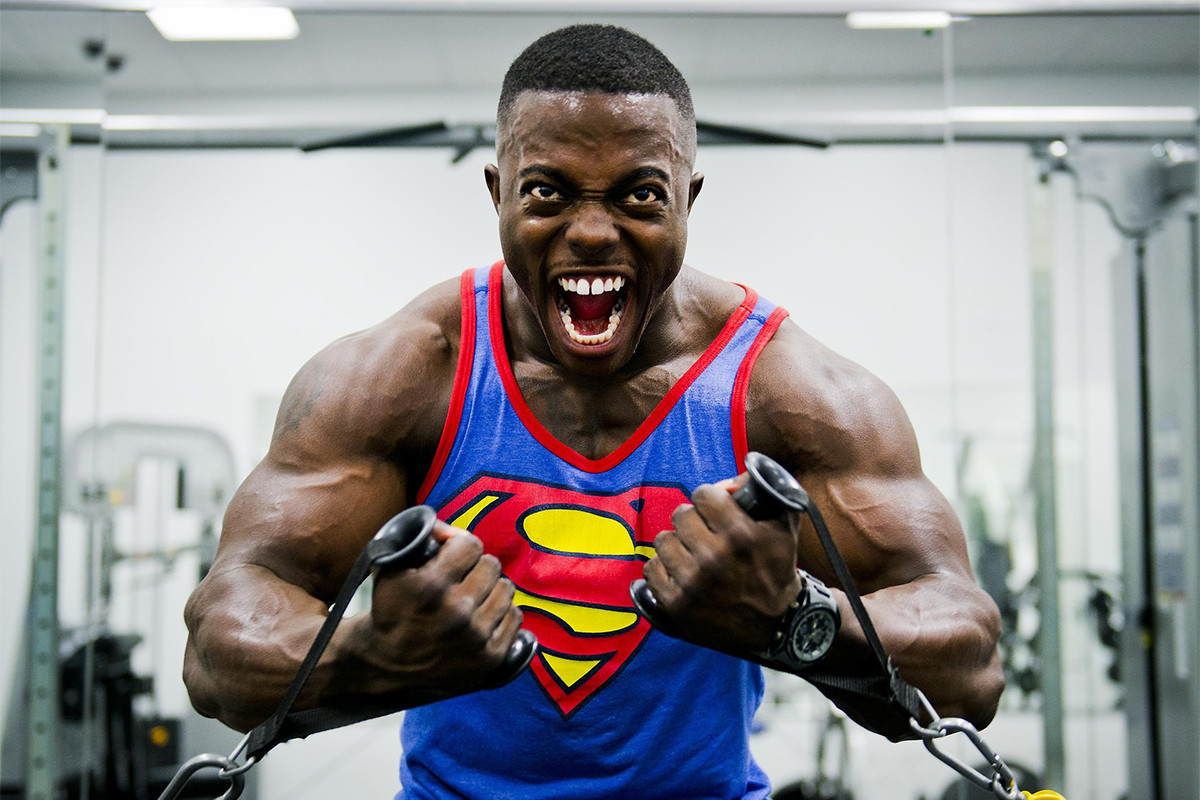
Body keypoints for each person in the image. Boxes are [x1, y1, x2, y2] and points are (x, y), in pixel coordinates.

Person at [182, 23, 1004, 800]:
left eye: (641, 195)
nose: (592, 233)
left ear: (688, 199)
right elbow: (218, 653)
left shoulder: (790, 392)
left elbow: (970, 668)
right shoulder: (401, 376)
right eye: (547, 192)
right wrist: (376, 658)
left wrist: (792, 620)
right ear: (497, 194)